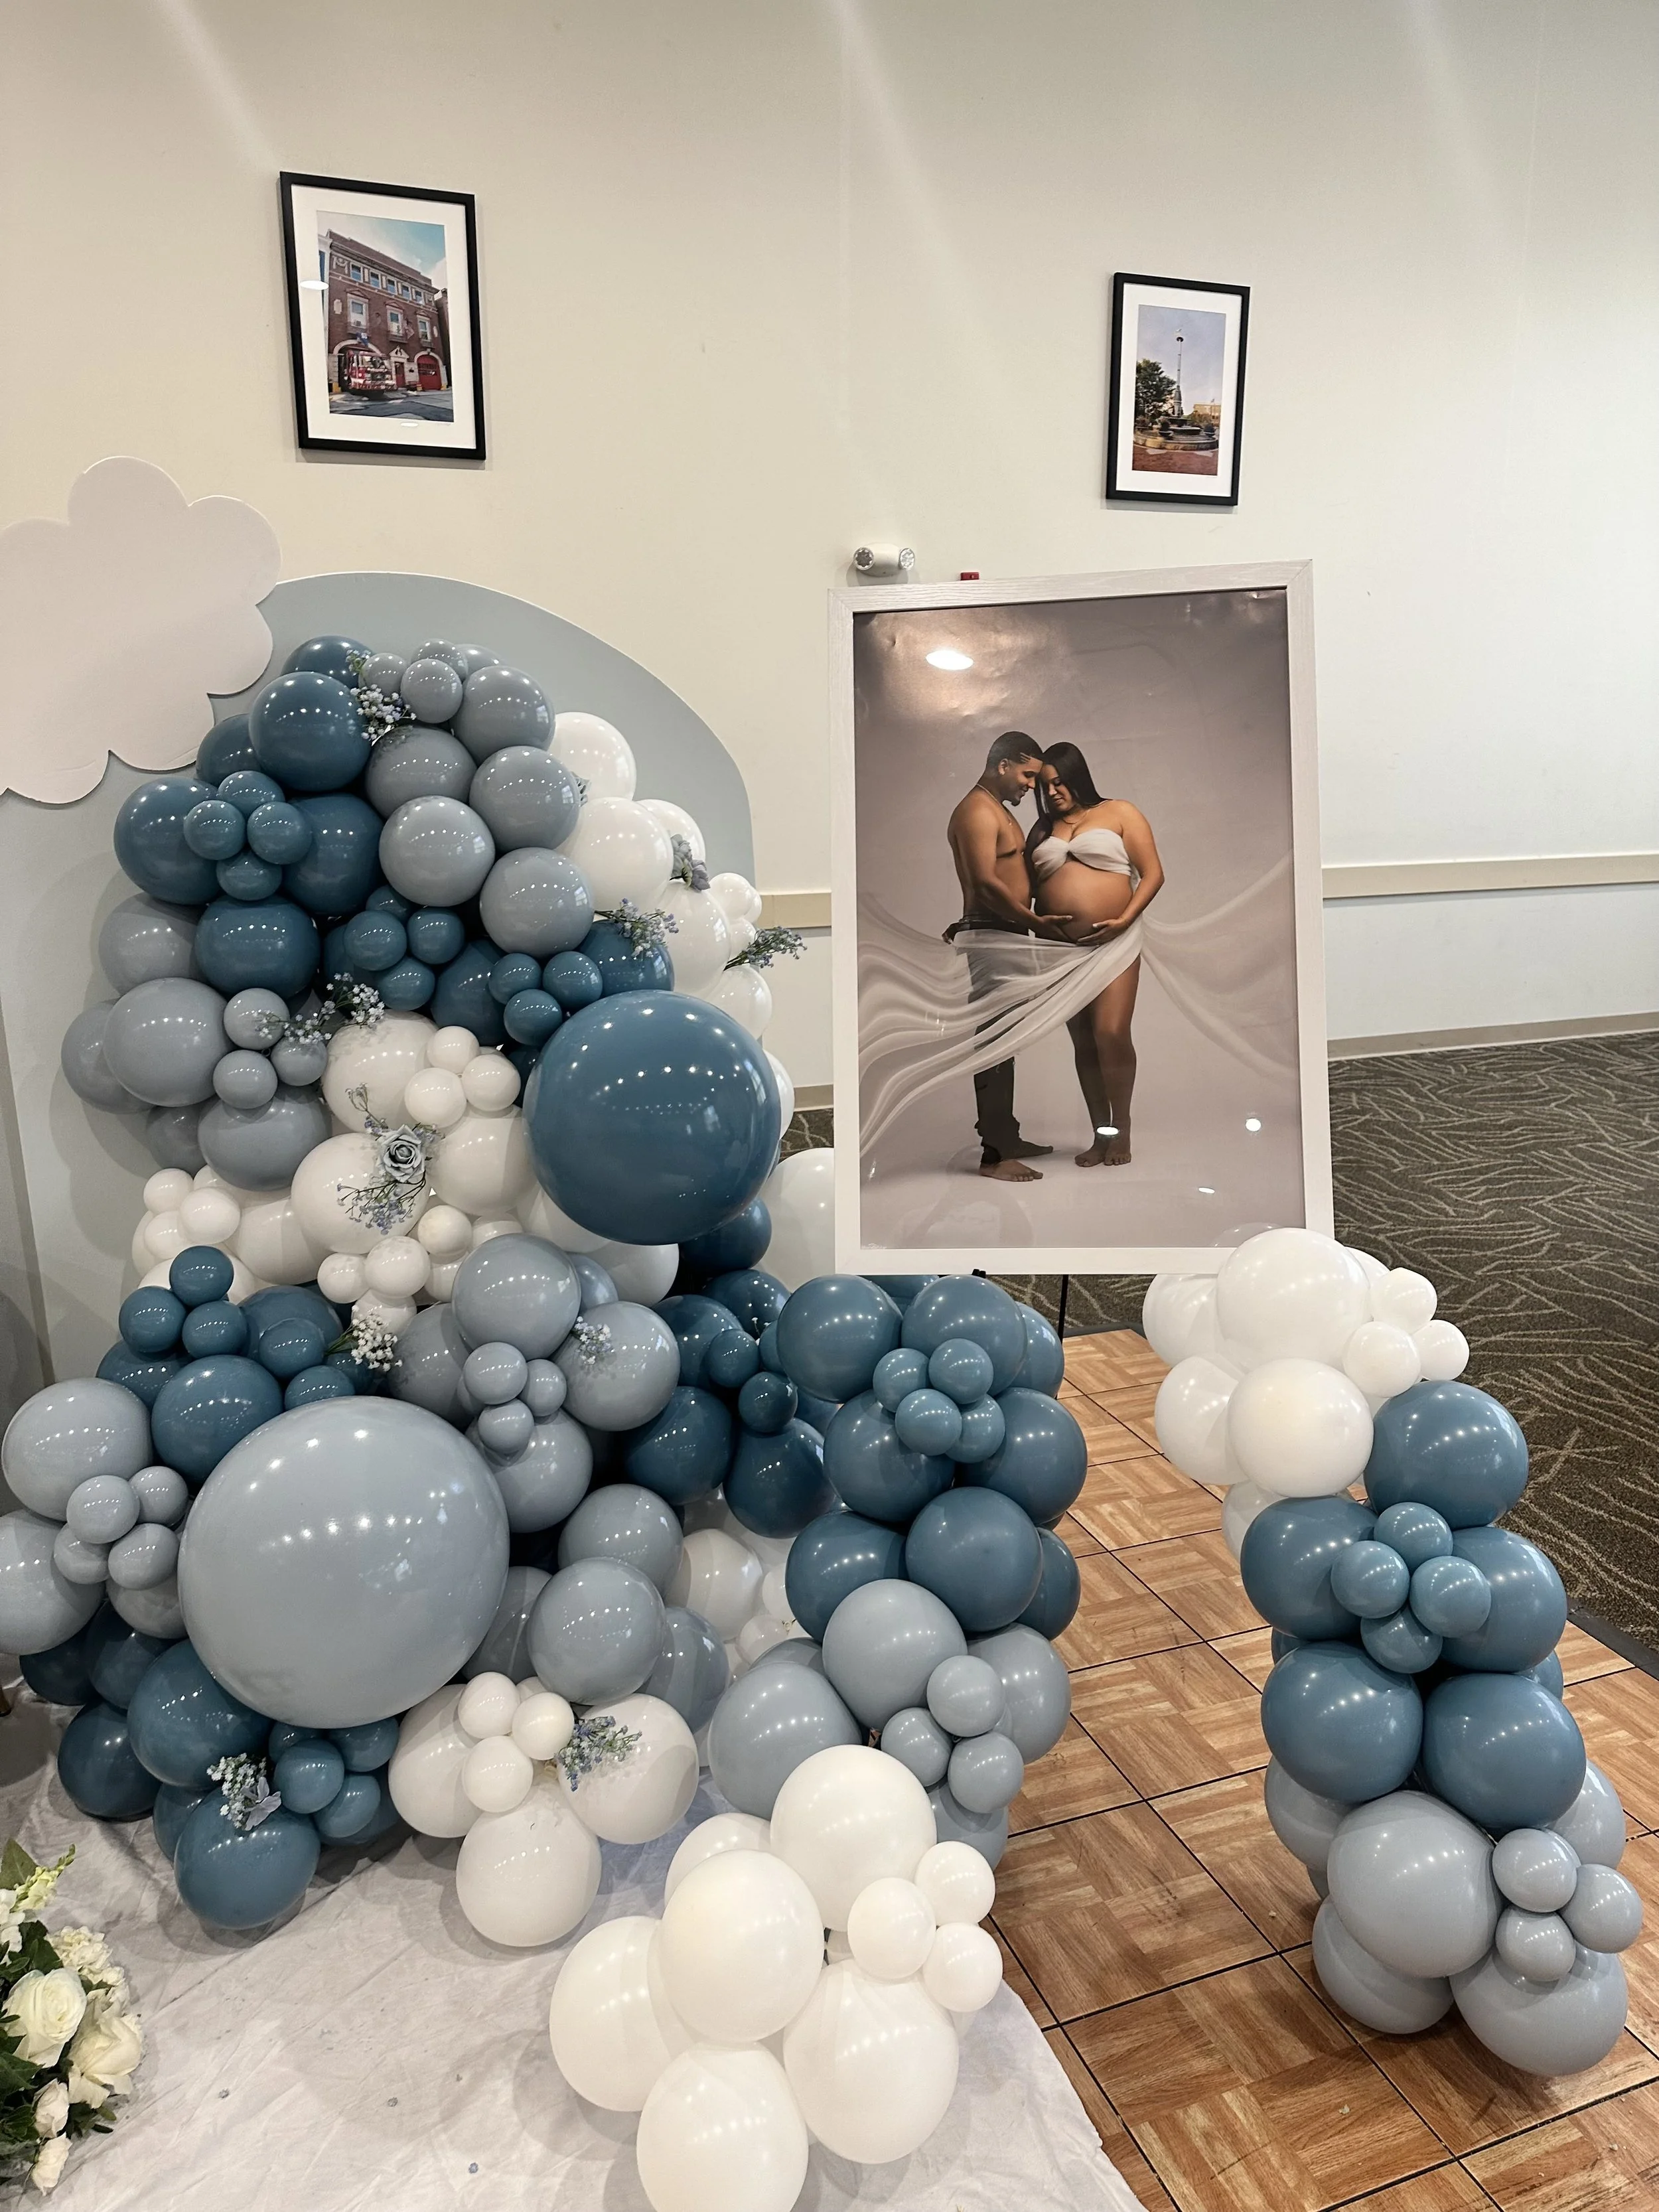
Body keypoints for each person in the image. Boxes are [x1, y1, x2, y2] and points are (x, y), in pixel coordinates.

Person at [945, 732, 1082, 1181]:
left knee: (1006, 1036)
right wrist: (1037, 923)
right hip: (995, 932)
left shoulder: (994, 809)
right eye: (1027, 775)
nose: (1031, 786)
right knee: (994, 1039)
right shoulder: (976, 810)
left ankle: (1006, 1133)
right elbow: (983, 882)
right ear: (1003, 764)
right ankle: (996, 1155)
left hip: (1002, 929)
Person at [1027, 741, 1165, 1165]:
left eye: (1059, 782)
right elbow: (1028, 893)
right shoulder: (1041, 831)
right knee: (1084, 1042)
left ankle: (1121, 1130)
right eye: (1044, 787)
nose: (1052, 792)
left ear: (1077, 775)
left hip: (1115, 942)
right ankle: (1099, 1135)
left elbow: (1154, 874)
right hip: (1060, 951)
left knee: (1111, 1032)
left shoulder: (1120, 812)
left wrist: (1124, 919)